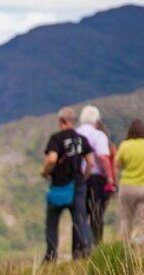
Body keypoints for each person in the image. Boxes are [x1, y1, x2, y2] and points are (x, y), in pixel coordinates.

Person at [42, 107, 95, 262]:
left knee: (52, 222)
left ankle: (51, 255)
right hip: (77, 184)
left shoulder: (56, 139)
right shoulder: (81, 139)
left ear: (62, 121)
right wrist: (84, 177)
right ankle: (81, 252)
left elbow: (51, 158)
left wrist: (45, 172)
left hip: (59, 185)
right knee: (79, 219)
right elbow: (90, 162)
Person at [76, 106, 115, 245]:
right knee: (97, 214)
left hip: (78, 178)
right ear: (97, 120)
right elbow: (103, 157)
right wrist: (110, 178)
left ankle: (80, 247)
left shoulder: (75, 133)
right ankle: (96, 244)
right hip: (96, 178)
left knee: (80, 215)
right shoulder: (99, 135)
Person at [115, 119, 144, 246]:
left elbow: (117, 165)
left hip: (128, 186)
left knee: (126, 219)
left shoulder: (125, 145)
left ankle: (124, 248)